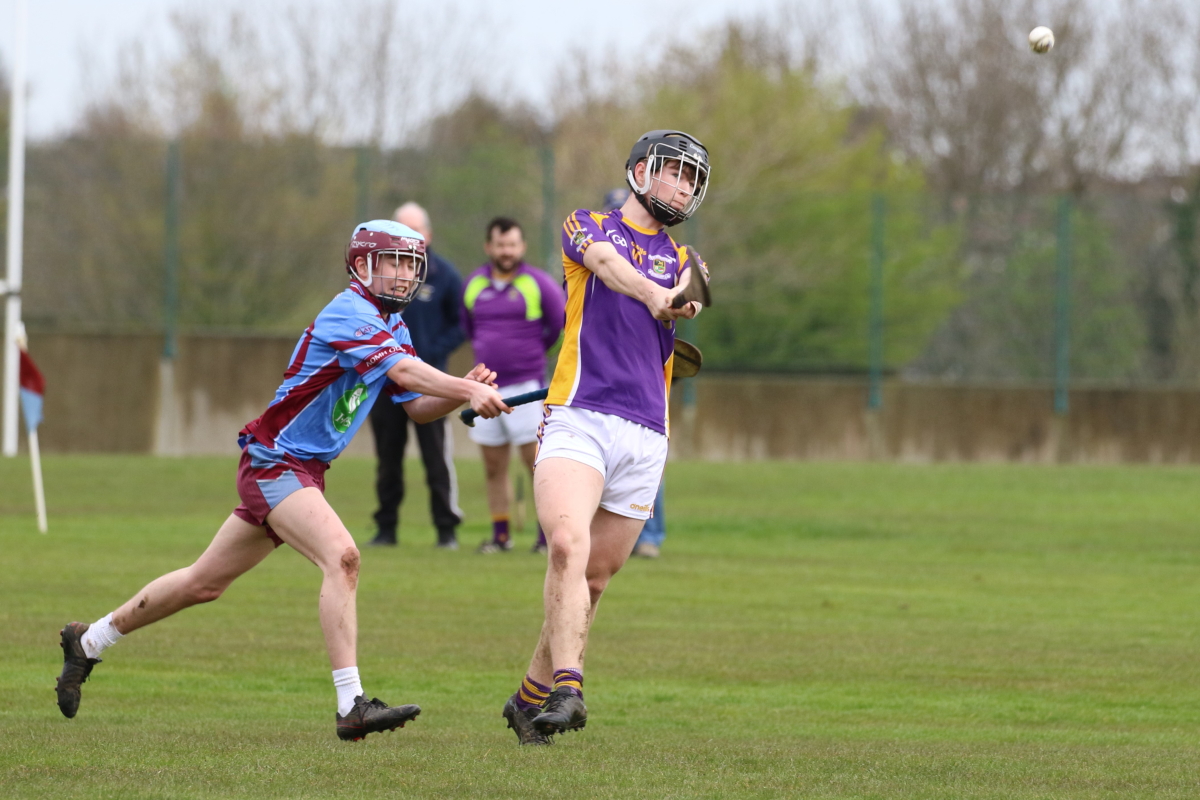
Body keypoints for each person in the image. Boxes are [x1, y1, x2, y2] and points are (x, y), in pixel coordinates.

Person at [55, 220, 511, 742]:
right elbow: (406, 374)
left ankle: (88, 641)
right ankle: (351, 705)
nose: (407, 274)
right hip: (274, 460)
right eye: (395, 262)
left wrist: (459, 393)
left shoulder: (393, 327)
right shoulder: (348, 312)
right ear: (363, 265)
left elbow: (419, 409)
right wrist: (464, 389)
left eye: (412, 264)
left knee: (202, 583)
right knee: (343, 556)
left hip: (303, 470)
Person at [501, 130, 710, 745]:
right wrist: (657, 296)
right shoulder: (586, 224)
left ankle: (527, 699)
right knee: (565, 545)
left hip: (647, 430)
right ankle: (570, 686)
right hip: (579, 415)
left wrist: (683, 299)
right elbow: (606, 267)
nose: (684, 187)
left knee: (591, 580)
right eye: (675, 172)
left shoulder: (686, 260)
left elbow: (688, 302)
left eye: (694, 180)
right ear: (641, 171)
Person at [460, 217, 565, 554]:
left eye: (513, 244)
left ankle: (544, 536)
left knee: (536, 464)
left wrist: (527, 356)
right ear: (489, 247)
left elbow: (556, 325)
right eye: (500, 244)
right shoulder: (473, 284)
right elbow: (468, 328)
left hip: (527, 388)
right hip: (486, 388)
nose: (506, 251)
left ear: (522, 247)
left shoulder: (538, 284)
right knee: (493, 466)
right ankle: (500, 535)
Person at [368, 202, 466, 549]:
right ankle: (386, 528)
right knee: (387, 459)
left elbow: (462, 323)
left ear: (428, 234)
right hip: (384, 382)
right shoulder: (377, 277)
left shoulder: (445, 275)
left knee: (436, 458)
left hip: (430, 382)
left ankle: (446, 530)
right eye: (399, 231)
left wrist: (434, 353)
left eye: (415, 231)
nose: (408, 239)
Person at [601, 189, 668, 560]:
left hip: (641, 390)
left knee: (645, 464)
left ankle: (650, 535)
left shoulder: (665, 256)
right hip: (595, 392)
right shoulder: (591, 242)